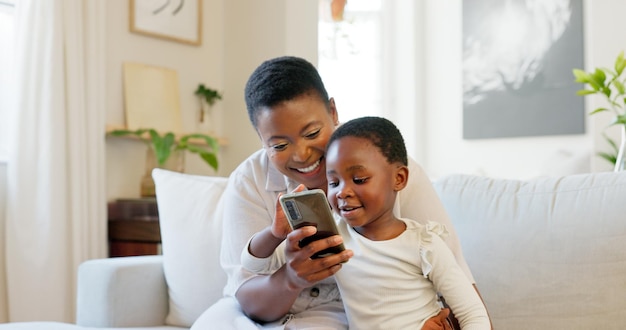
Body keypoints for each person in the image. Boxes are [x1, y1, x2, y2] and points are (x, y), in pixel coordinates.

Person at [193, 56, 486, 329]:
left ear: (333, 112)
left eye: (311, 134)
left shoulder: (387, 168)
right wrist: (291, 276)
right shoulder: (249, 181)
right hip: (261, 312)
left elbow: (458, 283)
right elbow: (248, 282)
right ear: (261, 140)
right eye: (279, 146)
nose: (302, 155)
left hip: (344, 314)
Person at [325, 116, 490, 329]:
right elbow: (271, 262)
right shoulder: (332, 239)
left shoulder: (424, 244)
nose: (342, 192)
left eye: (359, 180)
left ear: (399, 179)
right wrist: (275, 233)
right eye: (333, 182)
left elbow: (473, 313)